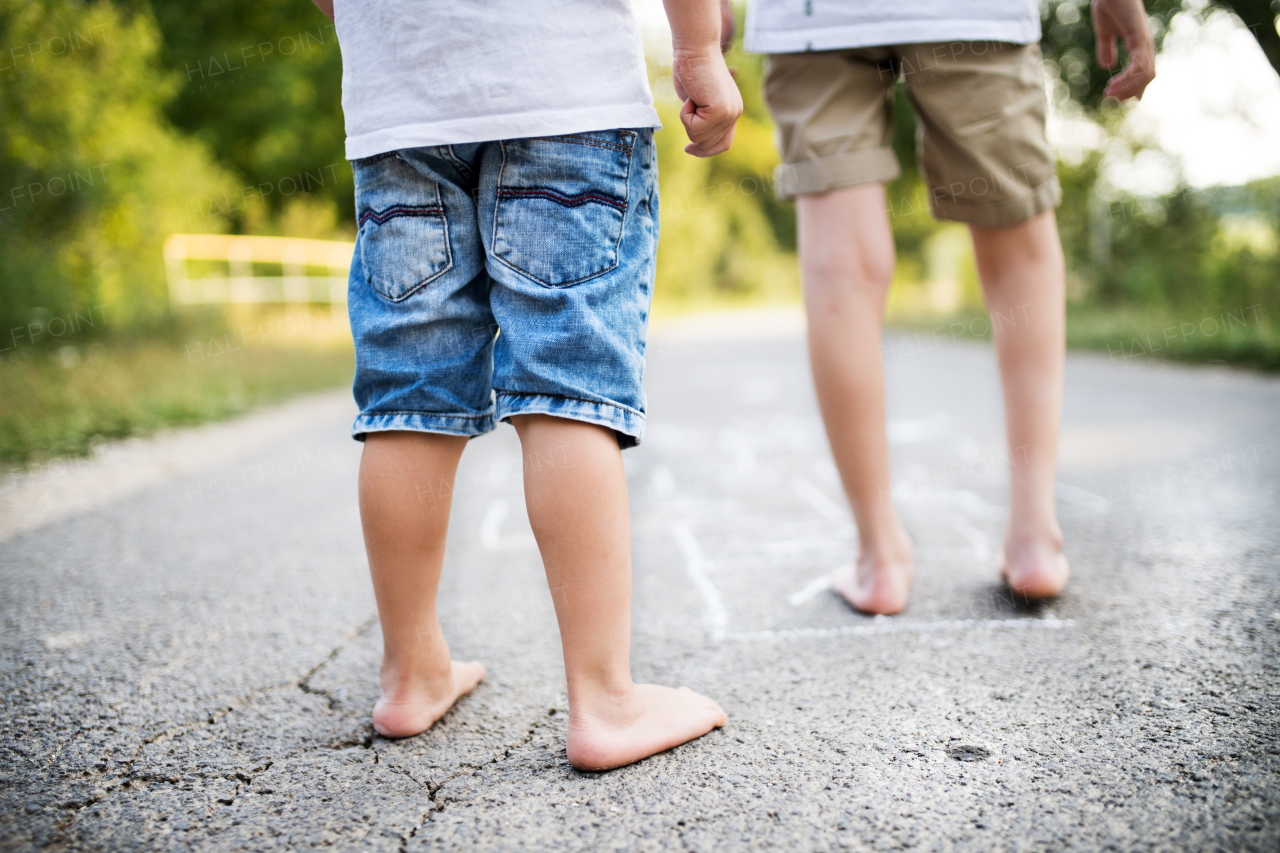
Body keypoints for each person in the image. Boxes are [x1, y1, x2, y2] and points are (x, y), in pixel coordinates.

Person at [309, 0, 743, 771]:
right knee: (567, 385)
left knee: (409, 393)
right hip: (561, 84)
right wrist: (699, 50)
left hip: (400, 106)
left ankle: (409, 672)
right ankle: (606, 700)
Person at [741, 0, 1155, 613]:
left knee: (841, 270)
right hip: (970, 13)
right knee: (1020, 250)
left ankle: (880, 556)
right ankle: (1034, 536)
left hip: (813, 18)